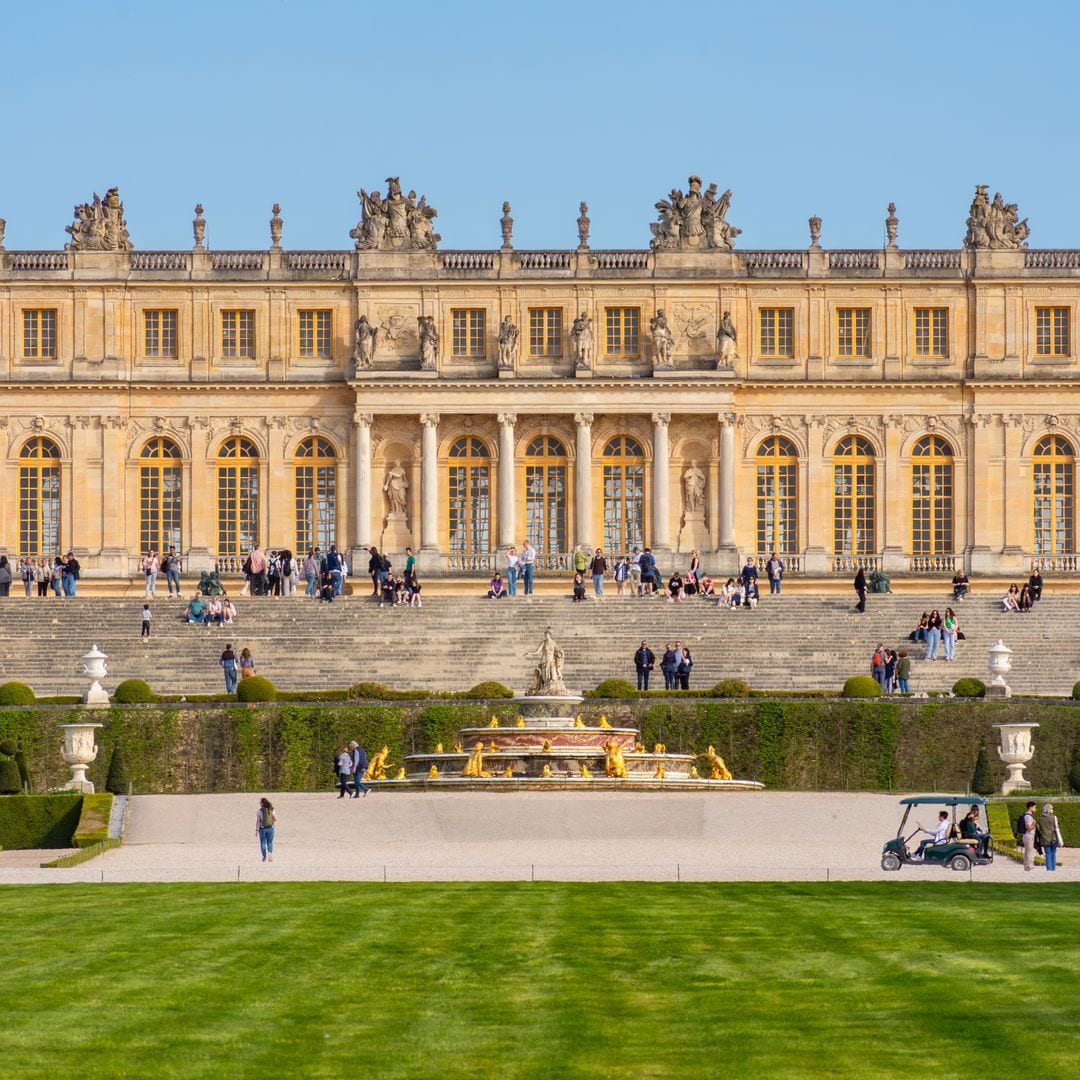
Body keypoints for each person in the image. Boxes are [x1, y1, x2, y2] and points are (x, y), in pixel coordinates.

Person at [1038, 803, 1063, 871]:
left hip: (1045, 838)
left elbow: (1039, 829)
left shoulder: (1040, 819)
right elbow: (1056, 827)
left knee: (1048, 854)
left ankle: (1049, 868)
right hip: (1053, 838)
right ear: (1048, 810)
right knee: (1053, 853)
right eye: (1051, 808)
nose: (1052, 810)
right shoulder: (1054, 817)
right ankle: (1053, 868)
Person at [257, 797, 277, 862]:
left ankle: (264, 856)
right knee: (270, 842)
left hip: (262, 828)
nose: (259, 803)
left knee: (263, 842)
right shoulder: (272, 809)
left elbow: (258, 821)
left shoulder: (259, 811)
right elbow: (276, 819)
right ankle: (270, 854)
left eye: (260, 802)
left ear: (262, 803)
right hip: (271, 828)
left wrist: (256, 830)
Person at [1020, 800, 1038, 871]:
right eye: (1034, 808)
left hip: (1027, 836)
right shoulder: (1028, 817)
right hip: (1029, 836)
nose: (1035, 809)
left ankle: (1026, 865)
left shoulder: (1026, 816)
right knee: (1029, 851)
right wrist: (1034, 823)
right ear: (1030, 808)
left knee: (1027, 851)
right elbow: (1029, 828)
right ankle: (1029, 866)